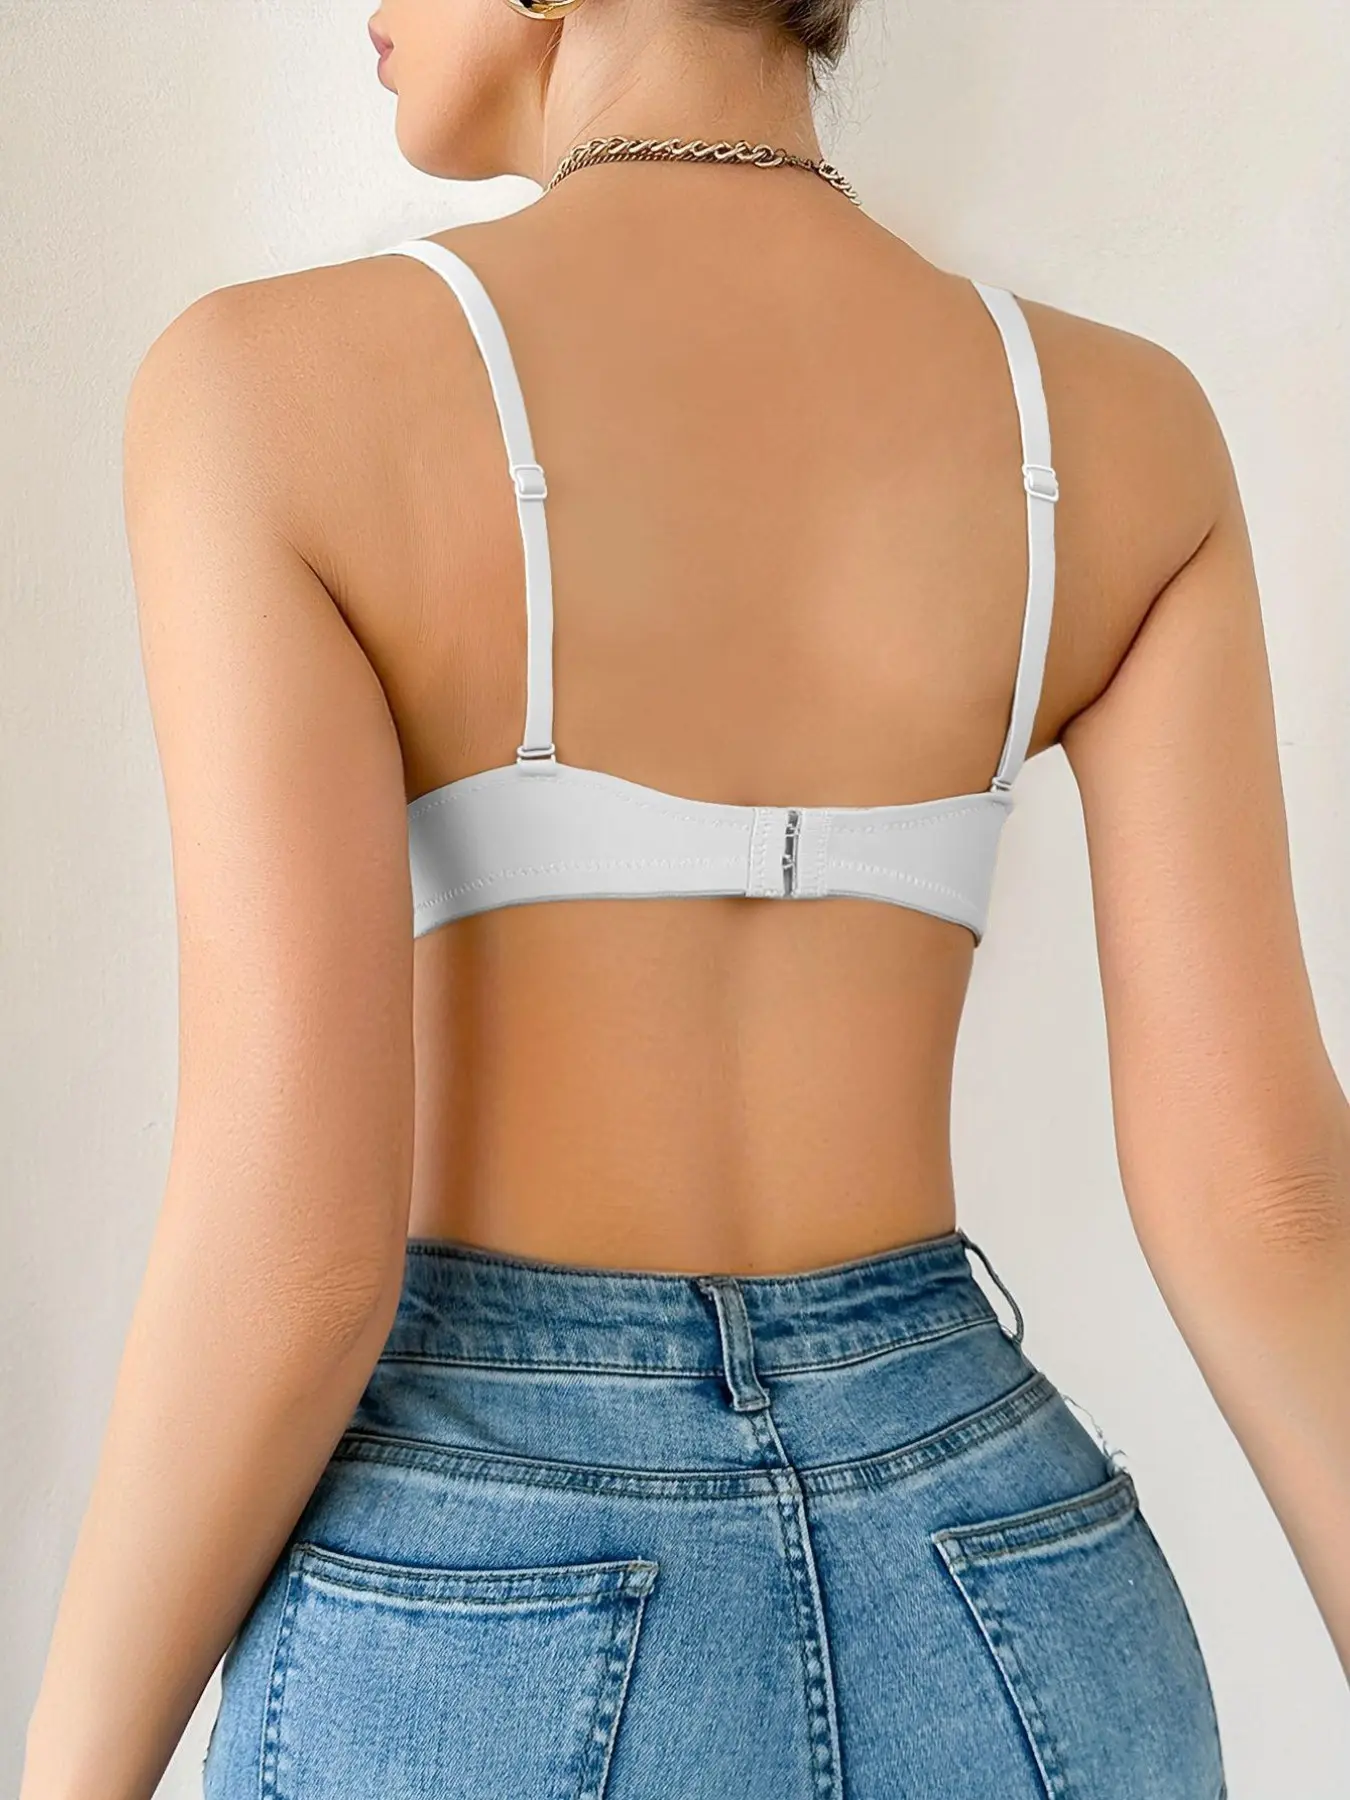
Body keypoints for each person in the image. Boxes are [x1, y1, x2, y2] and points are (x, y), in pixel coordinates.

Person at [21, 0, 1350, 1794]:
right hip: (1014, 1586)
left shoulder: (268, 391)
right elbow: (1271, 1207)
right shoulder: (1121, 431)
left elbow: (295, 1268)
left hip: (481, 1612)